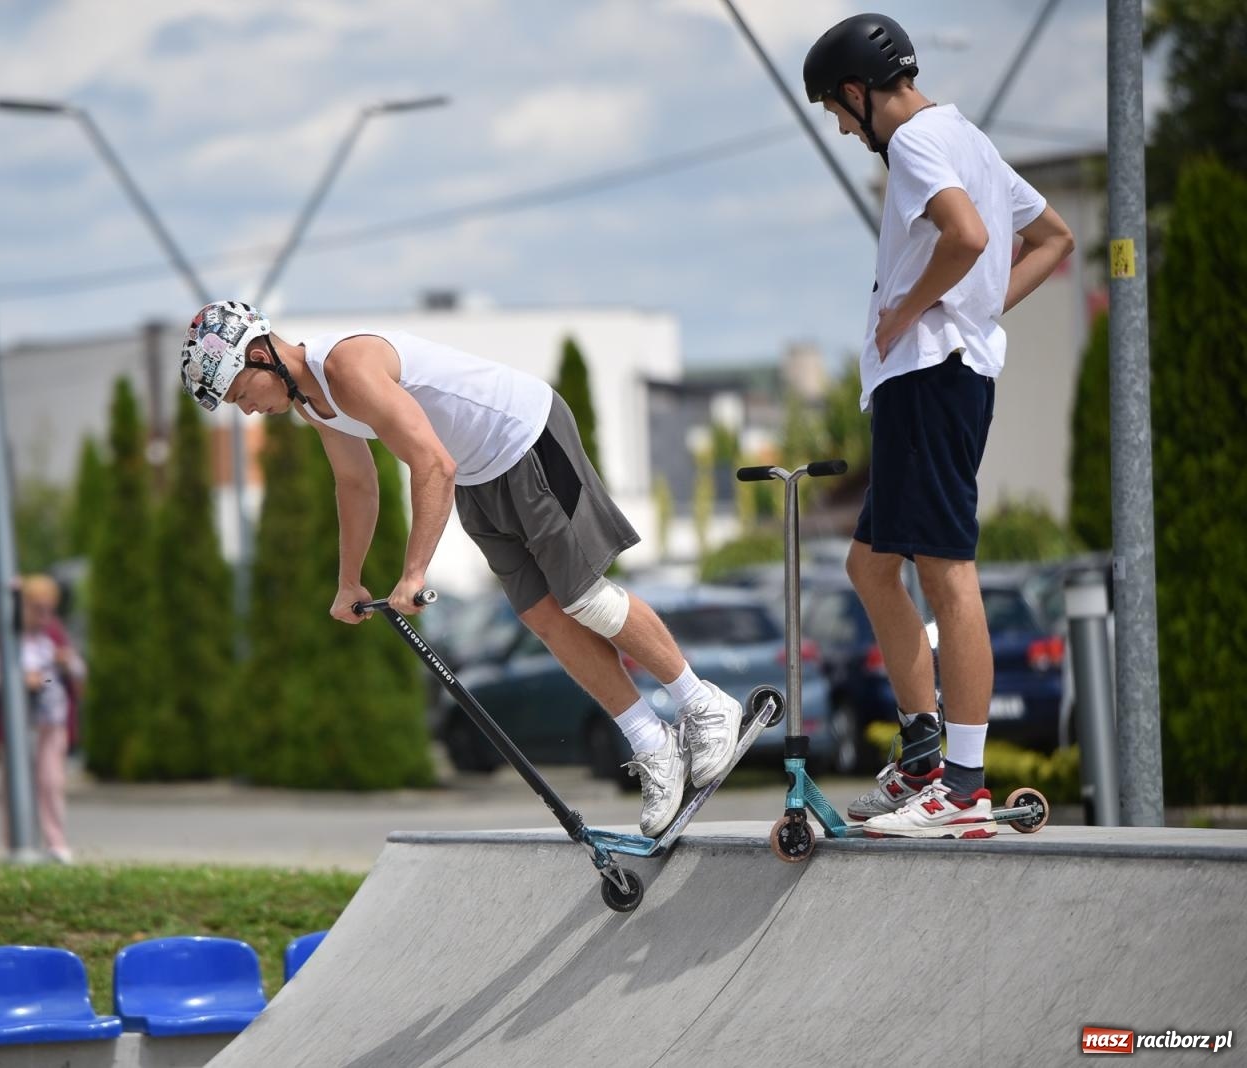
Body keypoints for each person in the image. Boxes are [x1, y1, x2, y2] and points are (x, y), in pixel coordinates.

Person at [180, 300, 744, 836]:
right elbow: (357, 484)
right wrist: (349, 579)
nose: (245, 408)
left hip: (525, 436)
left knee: (583, 598)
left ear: (260, 356)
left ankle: (703, 703)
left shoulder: (346, 366)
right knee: (544, 617)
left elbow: (431, 463)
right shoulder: (310, 402)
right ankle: (650, 742)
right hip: (478, 477)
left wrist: (414, 572)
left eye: (238, 393)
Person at [802, 14, 1075, 837]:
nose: (846, 130)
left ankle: (962, 790)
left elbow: (969, 236)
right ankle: (924, 752)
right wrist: (979, 311)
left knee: (947, 575)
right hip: (943, 375)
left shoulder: (917, 143)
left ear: (857, 90)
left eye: (839, 113)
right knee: (872, 568)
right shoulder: (968, 138)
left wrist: (913, 313)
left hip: (928, 379)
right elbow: (1053, 238)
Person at [0, 574, 84, 862]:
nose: (44, 616)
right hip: (13, 726)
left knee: (50, 782)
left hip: (49, 722)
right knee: (13, 786)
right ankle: (14, 844)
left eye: (49, 609)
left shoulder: (53, 635)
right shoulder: (5, 637)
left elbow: (60, 680)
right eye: (37, 608)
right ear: (23, 607)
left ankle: (55, 844)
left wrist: (56, 672)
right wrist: (18, 680)